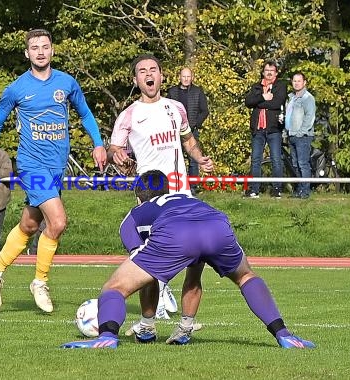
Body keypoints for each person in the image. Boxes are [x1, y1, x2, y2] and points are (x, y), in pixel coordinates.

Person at [61, 170, 316, 349]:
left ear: (138, 197)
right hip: (216, 222)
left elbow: (144, 272)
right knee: (246, 276)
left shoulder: (136, 212)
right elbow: (194, 275)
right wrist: (185, 325)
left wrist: (147, 321)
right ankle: (283, 335)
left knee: (115, 288)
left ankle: (106, 337)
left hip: (176, 231)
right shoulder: (188, 199)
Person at [0, 28, 107, 312]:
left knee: (30, 224)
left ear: (52, 50)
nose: (40, 51)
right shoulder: (17, 89)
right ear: (27, 53)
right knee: (58, 222)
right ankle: (40, 282)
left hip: (56, 167)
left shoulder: (66, 83)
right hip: (31, 165)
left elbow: (85, 113)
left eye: (45, 47)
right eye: (34, 47)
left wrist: (98, 144)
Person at [108, 54, 214, 341]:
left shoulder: (175, 107)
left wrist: (200, 157)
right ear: (136, 80)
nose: (148, 74)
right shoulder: (129, 114)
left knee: (196, 264)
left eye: (153, 69)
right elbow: (114, 148)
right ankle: (147, 324)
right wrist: (117, 155)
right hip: (150, 198)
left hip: (181, 193)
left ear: (161, 76)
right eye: (142, 71)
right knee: (147, 265)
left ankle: (186, 325)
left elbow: (188, 139)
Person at [244, 60, 287, 198]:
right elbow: (248, 102)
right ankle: (254, 189)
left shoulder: (280, 86)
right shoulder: (256, 87)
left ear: (276, 73)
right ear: (263, 72)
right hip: (258, 129)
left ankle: (277, 189)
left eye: (272, 71)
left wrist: (259, 103)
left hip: (274, 129)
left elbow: (277, 102)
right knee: (256, 159)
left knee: (276, 159)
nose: (269, 73)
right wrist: (263, 97)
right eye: (267, 70)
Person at [167, 67, 209, 190]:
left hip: (191, 130)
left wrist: (195, 124)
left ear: (192, 78)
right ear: (179, 77)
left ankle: (193, 187)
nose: (186, 79)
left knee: (194, 159)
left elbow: (204, 111)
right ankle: (174, 185)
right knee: (174, 159)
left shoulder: (198, 91)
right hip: (174, 130)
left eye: (188, 76)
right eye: (183, 76)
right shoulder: (172, 92)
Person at [285, 72, 316, 199]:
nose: (296, 83)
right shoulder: (291, 98)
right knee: (295, 164)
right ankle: (299, 189)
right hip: (291, 134)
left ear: (304, 82)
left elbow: (310, 117)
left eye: (299, 81)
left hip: (302, 136)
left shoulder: (308, 98)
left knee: (303, 163)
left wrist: (301, 132)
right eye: (294, 81)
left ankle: (305, 191)